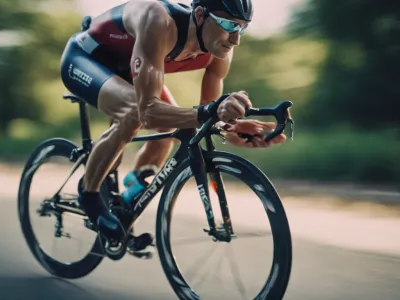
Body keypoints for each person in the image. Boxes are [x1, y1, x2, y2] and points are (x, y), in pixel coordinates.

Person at [59, 0, 288, 242]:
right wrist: (211, 112)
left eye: (242, 28)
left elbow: (206, 115)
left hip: (130, 68)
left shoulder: (219, 49)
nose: (235, 39)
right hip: (87, 58)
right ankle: (89, 193)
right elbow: (148, 111)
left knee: (168, 124)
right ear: (200, 15)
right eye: (229, 25)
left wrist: (229, 127)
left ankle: (128, 196)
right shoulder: (160, 21)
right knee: (134, 113)